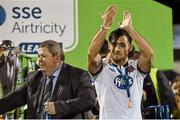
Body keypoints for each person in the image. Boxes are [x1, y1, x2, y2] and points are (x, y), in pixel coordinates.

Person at [0, 40, 96, 119]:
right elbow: (15, 98)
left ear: (57, 58)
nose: (39, 61)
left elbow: (88, 101)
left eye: (43, 56)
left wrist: (59, 107)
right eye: (38, 56)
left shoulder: (78, 75)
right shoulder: (34, 77)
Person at [87, 5, 153, 119]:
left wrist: (130, 29)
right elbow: (91, 54)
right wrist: (105, 26)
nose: (117, 49)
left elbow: (148, 53)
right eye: (114, 44)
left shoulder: (137, 68)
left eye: (122, 45)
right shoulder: (101, 68)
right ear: (109, 46)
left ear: (130, 48)